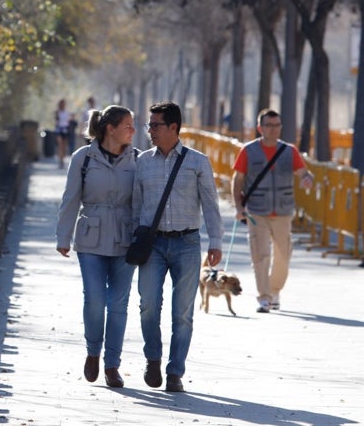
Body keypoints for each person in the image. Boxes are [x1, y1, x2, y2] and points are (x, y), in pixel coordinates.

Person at [132, 101, 224, 393]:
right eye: (149, 125)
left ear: (174, 127)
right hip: (153, 244)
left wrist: (216, 241)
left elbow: (210, 204)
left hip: (187, 243)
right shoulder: (143, 162)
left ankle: (175, 372)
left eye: (155, 125)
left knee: (182, 313)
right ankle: (153, 359)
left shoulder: (197, 162)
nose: (150, 131)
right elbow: (136, 205)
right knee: (148, 305)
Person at [56, 105, 139, 388]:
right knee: (95, 299)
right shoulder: (84, 157)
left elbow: (144, 201)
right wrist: (62, 236)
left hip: (125, 239)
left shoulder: (137, 159)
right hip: (90, 236)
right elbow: (70, 198)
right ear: (110, 129)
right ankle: (93, 352)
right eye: (128, 125)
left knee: (118, 303)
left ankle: (112, 364)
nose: (133, 130)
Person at [231, 109, 314, 314]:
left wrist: (307, 179)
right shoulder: (248, 151)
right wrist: (239, 207)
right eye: (269, 125)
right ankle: (264, 298)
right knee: (260, 255)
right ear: (260, 128)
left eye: (277, 125)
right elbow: (238, 179)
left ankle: (275, 289)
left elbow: (304, 172)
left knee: (283, 256)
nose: (274, 130)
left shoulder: (289, 151)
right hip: (256, 210)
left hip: (283, 211)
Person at [55, 99, 72, 168]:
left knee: (64, 147)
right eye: (62, 103)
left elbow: (68, 121)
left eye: (64, 104)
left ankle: (63, 159)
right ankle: (60, 161)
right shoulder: (57, 112)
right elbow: (56, 121)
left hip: (66, 130)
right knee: (60, 146)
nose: (63, 105)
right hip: (59, 130)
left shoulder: (67, 112)